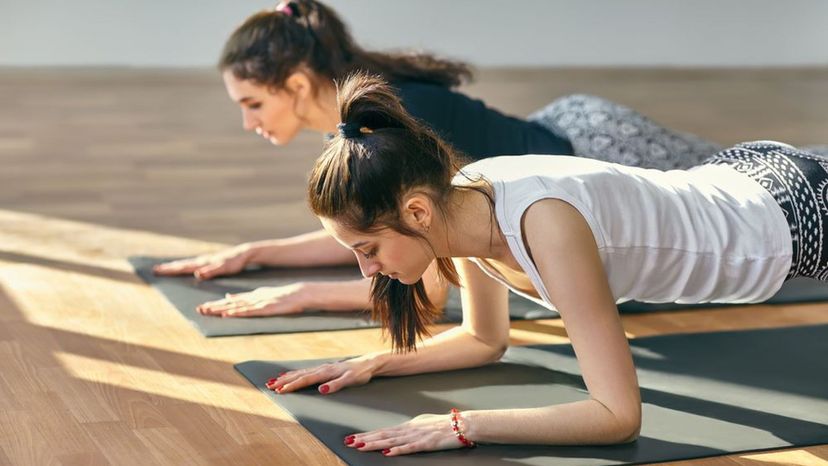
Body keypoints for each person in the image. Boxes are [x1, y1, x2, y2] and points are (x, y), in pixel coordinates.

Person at [262, 73, 826, 455]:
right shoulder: (461, 205)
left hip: (798, 221)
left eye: (368, 250)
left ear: (415, 210)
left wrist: (461, 425)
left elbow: (616, 415)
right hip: (749, 180)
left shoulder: (544, 223)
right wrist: (372, 365)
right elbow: (484, 339)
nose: (366, 272)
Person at [153, 0, 742, 318]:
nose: (248, 121)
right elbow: (374, 231)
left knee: (748, 180)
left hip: (598, 147)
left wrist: (303, 292)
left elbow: (434, 282)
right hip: (571, 141)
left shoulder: (392, 122)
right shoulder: (362, 121)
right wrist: (258, 254)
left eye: (254, 102)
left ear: (299, 85)